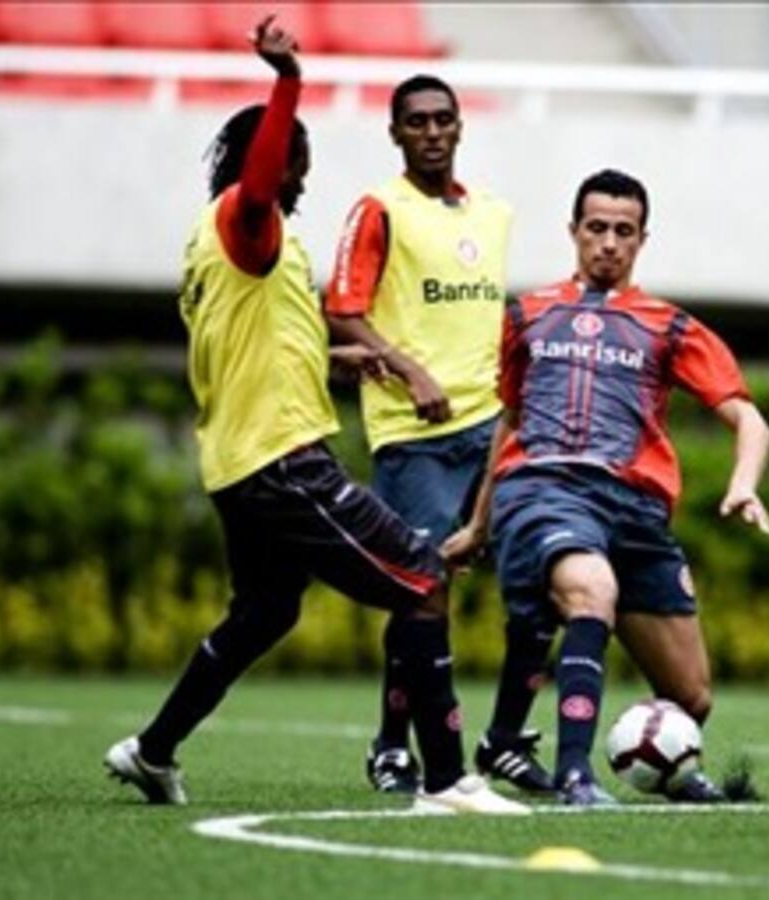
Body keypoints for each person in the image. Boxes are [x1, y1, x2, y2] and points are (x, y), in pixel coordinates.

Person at [102, 17, 525, 816]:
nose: (301, 180)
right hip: (281, 460)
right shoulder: (247, 221)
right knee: (424, 578)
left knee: (266, 609)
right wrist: (288, 82)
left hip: (235, 463)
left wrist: (341, 360)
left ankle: (152, 751)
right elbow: (262, 183)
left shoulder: (213, 249)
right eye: (300, 163)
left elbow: (256, 345)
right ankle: (445, 782)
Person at [443, 169, 769, 807]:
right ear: (574, 231)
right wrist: (479, 525)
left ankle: (644, 757)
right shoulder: (526, 314)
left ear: (642, 240)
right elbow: (511, 419)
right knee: (591, 591)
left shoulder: (670, 325)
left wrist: (743, 484)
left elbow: (749, 419)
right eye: (597, 228)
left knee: (691, 697)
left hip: (637, 511)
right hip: (545, 489)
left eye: (625, 231)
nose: (609, 243)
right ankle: (575, 775)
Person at [324, 75, 552, 796]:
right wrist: (409, 369)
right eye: (416, 121)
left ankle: (505, 739)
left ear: (459, 127)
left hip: (492, 428)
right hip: (414, 435)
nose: (431, 132)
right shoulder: (378, 209)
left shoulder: (494, 214)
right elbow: (342, 310)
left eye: (442, 120)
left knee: (541, 575)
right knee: (421, 590)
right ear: (395, 132)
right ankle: (394, 747)